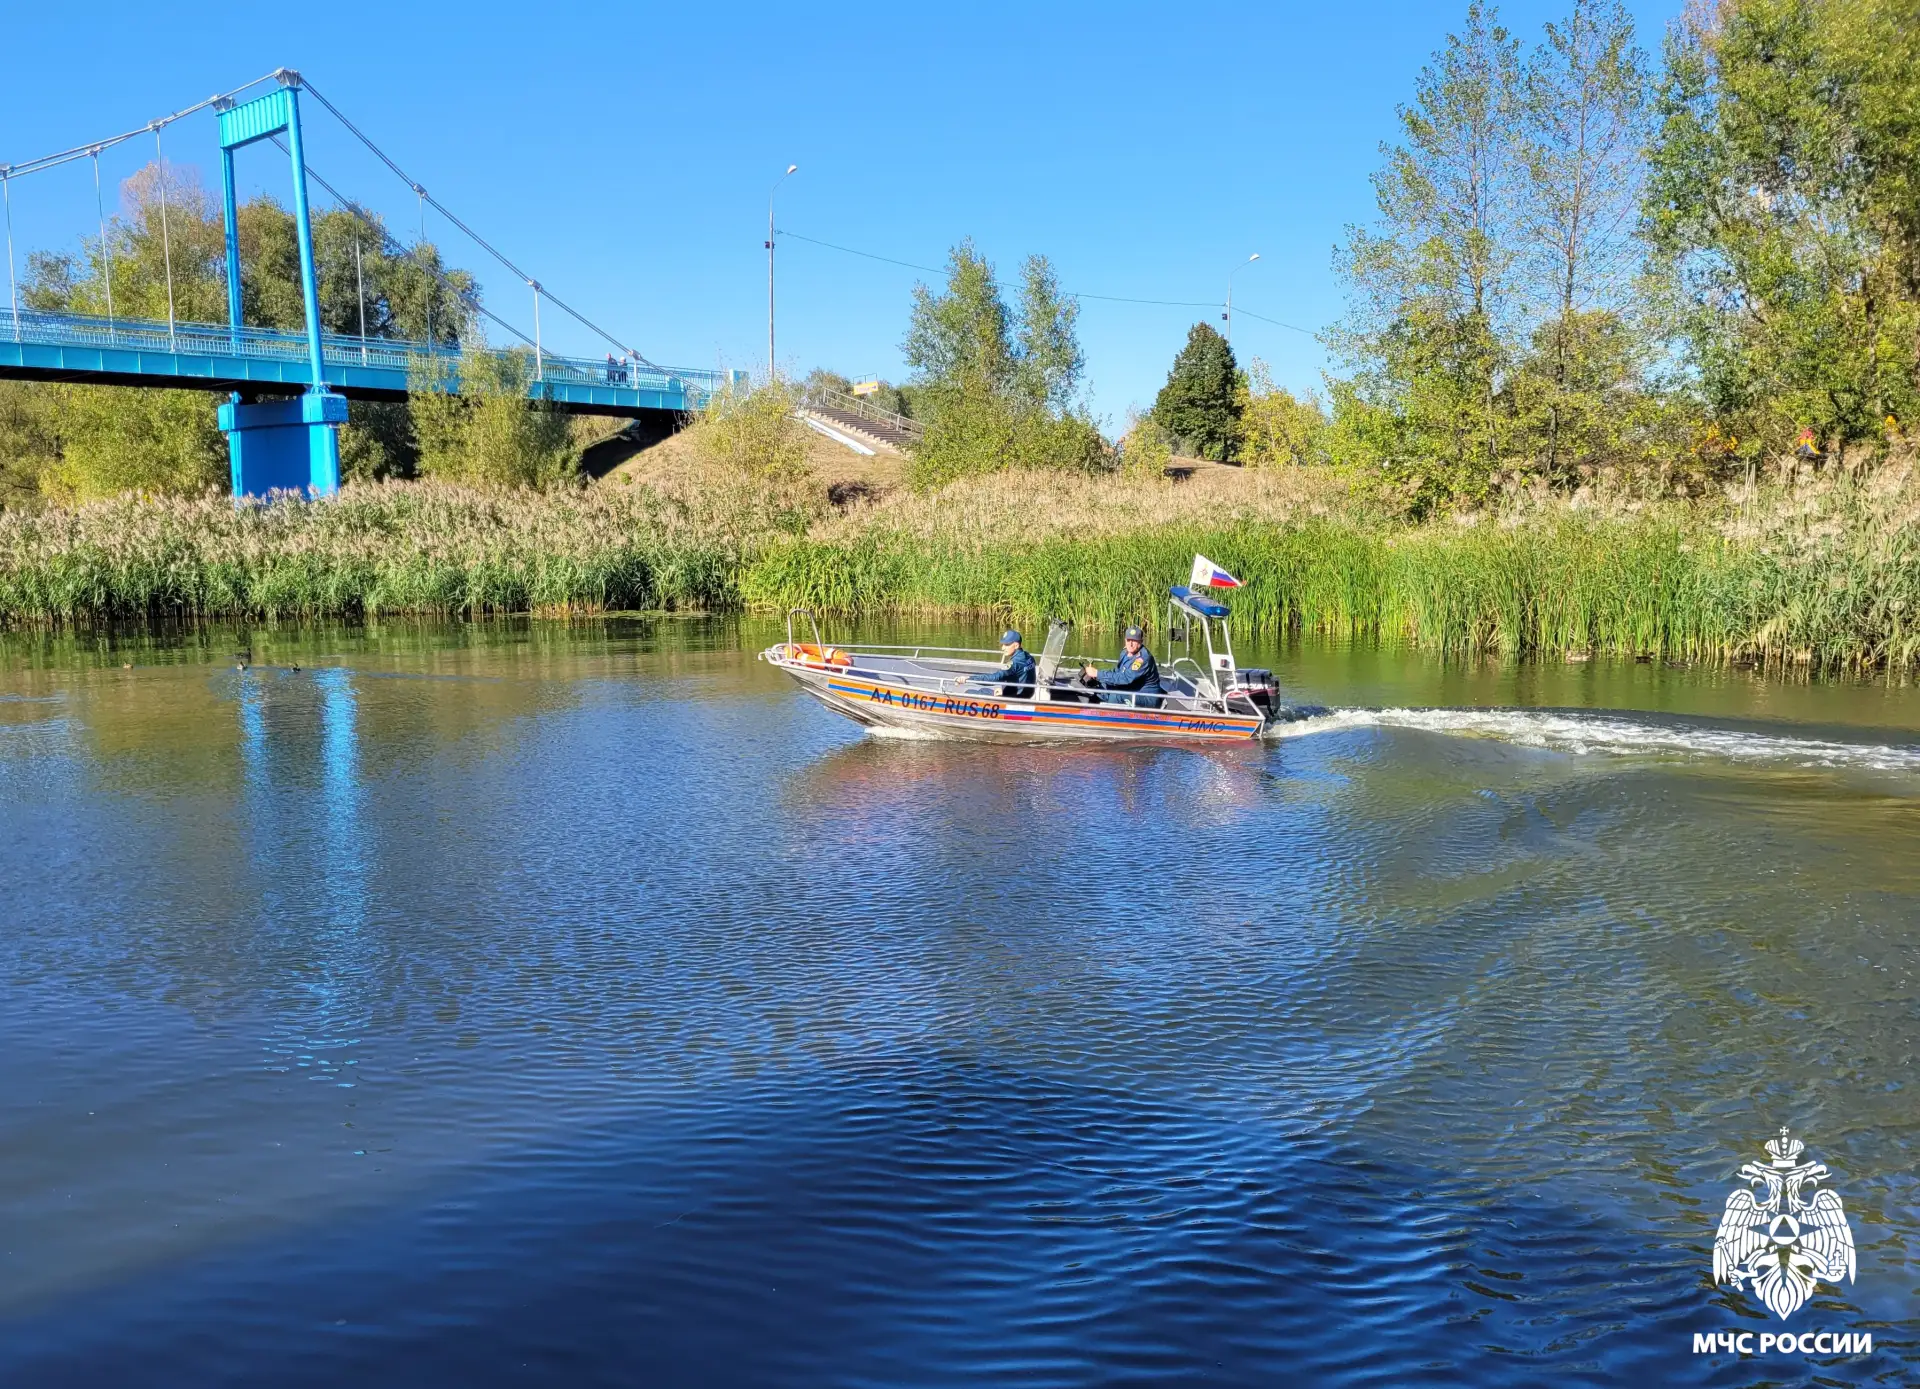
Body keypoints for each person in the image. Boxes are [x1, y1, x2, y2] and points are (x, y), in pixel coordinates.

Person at [1082, 626, 1163, 709]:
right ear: (1125, 640)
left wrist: (1098, 674)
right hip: (1132, 688)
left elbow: (1125, 678)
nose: (1130, 644)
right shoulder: (1125, 652)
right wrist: (1098, 677)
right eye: (1128, 640)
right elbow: (1117, 672)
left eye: (1134, 641)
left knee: (1116, 696)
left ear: (1141, 641)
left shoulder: (1143, 659)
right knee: (1101, 686)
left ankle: (1107, 715)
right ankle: (1088, 709)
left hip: (1147, 697)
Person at [977, 630, 1037, 699]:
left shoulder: (1015, 663)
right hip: (1023, 694)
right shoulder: (1029, 657)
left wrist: (969, 678)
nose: (1002, 648)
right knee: (983, 690)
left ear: (1016, 645)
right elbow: (1019, 678)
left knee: (970, 692)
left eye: (1006, 645)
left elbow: (995, 678)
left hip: (1015, 699)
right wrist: (1004, 691)